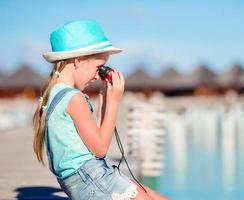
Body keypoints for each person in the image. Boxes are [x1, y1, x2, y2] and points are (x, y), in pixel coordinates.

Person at [32, 19, 169, 200]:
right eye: (98, 68)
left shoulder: (56, 94)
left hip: (92, 178)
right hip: (92, 180)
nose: (98, 75)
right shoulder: (74, 98)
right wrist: (114, 101)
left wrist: (104, 98)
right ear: (78, 60)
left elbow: (92, 137)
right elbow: (100, 148)